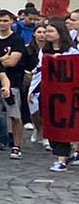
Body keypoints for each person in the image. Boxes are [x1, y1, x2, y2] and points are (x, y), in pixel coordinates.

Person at [0, 8, 29, 160]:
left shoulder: (16, 39)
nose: (2, 23)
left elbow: (12, 61)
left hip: (13, 82)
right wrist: (1, 60)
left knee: (15, 115)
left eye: (5, 20)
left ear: (12, 21)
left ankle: (16, 146)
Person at [31, 20, 71, 170]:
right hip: (48, 92)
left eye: (50, 31)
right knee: (49, 121)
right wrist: (33, 90)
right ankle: (60, 153)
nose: (46, 34)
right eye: (46, 31)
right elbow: (40, 72)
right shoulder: (44, 51)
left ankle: (62, 157)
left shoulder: (71, 51)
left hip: (65, 93)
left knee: (64, 124)